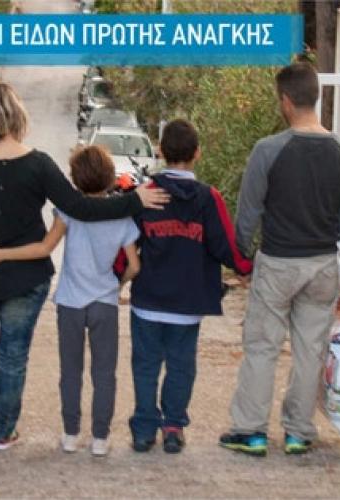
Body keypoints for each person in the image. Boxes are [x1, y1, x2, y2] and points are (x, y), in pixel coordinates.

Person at [0, 82, 168, 451]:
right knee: (13, 356)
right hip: (25, 279)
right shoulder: (38, 164)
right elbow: (81, 207)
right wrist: (134, 200)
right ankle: (2, 431)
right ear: (17, 115)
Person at [219, 62, 340, 457]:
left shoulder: (268, 151)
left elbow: (248, 213)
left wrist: (241, 258)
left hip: (278, 263)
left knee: (262, 347)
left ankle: (251, 430)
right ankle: (299, 431)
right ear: (316, 96)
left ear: (285, 100)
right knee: (310, 350)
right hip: (323, 265)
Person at [0, 145, 141, 457]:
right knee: (104, 373)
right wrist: (117, 286)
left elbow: (43, 248)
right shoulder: (121, 217)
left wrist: (1, 254)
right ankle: (100, 438)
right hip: (104, 303)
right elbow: (134, 266)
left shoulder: (69, 211)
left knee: (70, 371)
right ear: (110, 177)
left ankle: (70, 434)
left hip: (70, 302)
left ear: (75, 179)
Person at [128, 119, 253, 454]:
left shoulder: (146, 194)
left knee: (145, 365)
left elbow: (126, 242)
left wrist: (113, 277)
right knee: (181, 366)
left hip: (148, 300)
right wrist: (246, 268)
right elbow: (224, 243)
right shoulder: (208, 198)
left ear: (160, 151)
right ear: (197, 153)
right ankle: (173, 427)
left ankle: (143, 430)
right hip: (187, 303)